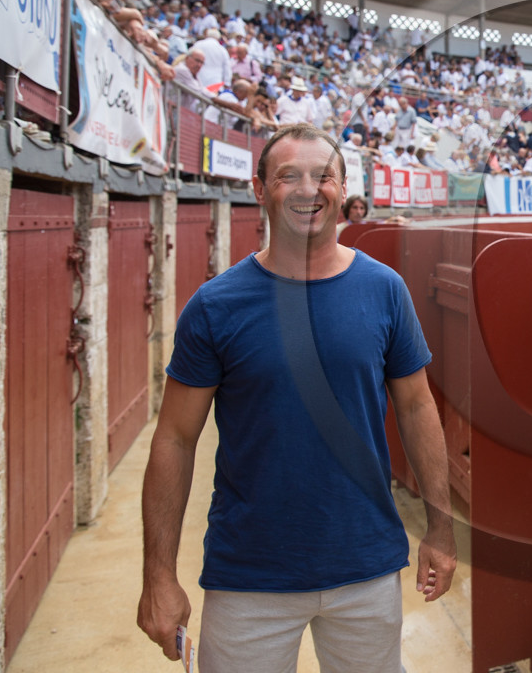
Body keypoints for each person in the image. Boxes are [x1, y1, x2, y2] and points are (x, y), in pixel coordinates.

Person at [137, 124, 456, 672]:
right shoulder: (216, 306)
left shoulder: (384, 290)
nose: (309, 189)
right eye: (290, 176)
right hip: (250, 575)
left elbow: (417, 407)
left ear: (344, 188)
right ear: (260, 190)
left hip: (365, 564)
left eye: (323, 176)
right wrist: (158, 574)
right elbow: (175, 437)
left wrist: (442, 528)